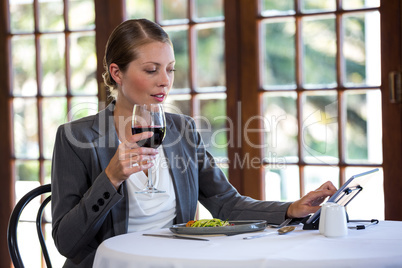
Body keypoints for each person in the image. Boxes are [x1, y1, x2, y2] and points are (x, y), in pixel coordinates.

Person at [51, 18, 337, 267]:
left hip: (178, 262)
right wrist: (111, 178)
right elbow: (67, 242)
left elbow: (227, 203)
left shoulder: (182, 130)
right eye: (151, 70)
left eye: (170, 69)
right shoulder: (76, 138)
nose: (165, 81)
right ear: (117, 73)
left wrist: (290, 209)